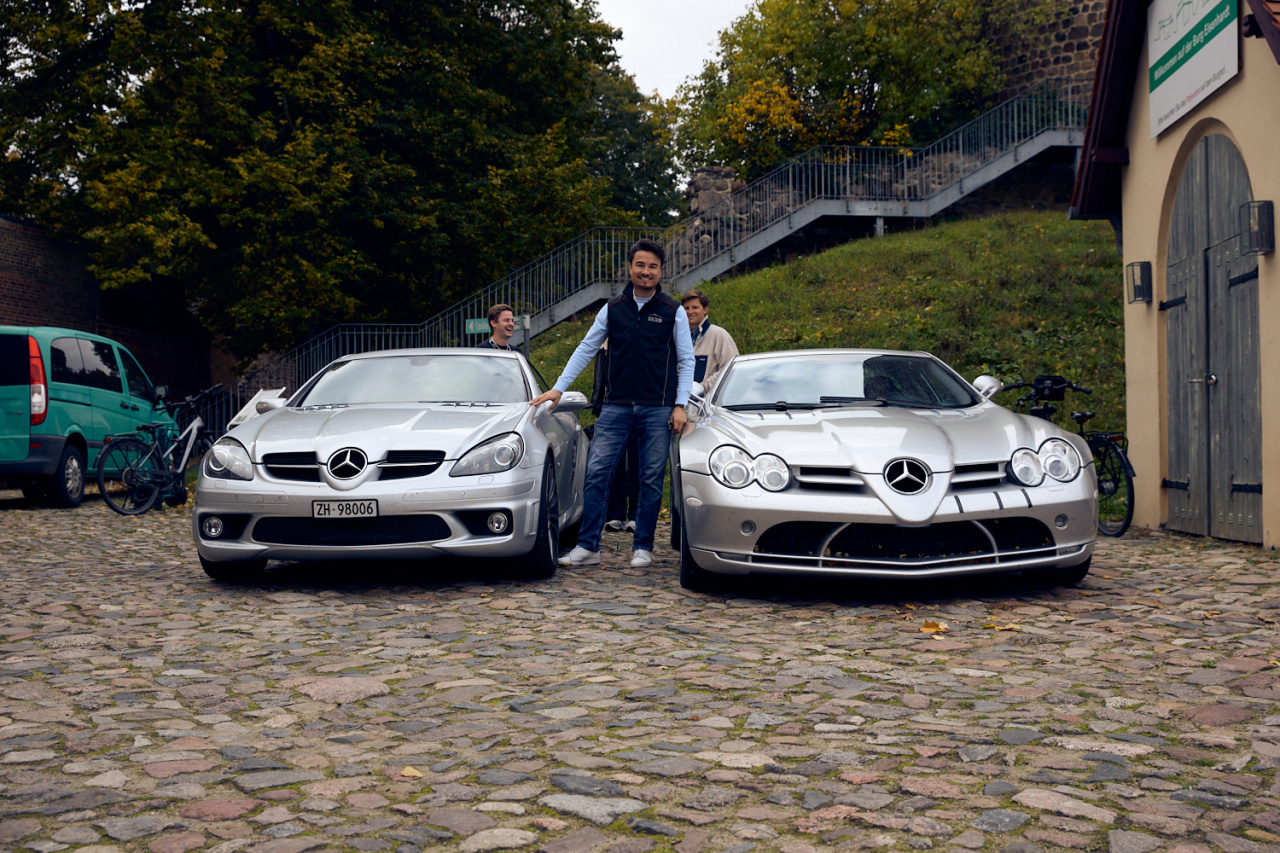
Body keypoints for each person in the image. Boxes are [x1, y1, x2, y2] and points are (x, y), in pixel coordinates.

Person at [530, 238, 694, 568]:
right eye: (640, 265)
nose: (646, 271)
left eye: (653, 266)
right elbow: (586, 348)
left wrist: (680, 405)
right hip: (615, 406)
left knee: (650, 479)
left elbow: (686, 360)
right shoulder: (612, 308)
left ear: (660, 271)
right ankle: (588, 546)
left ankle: (643, 547)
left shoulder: (672, 311)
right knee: (596, 473)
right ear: (630, 267)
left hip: (658, 407)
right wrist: (559, 388)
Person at [590, 340, 639, 533]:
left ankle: (636, 515)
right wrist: (597, 401)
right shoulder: (605, 343)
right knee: (612, 464)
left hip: (639, 406)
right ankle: (615, 514)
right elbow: (600, 376)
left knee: (638, 462)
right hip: (611, 406)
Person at [681, 288, 739, 392]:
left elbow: (732, 368)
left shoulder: (719, 335)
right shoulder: (677, 337)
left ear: (705, 309)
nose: (690, 312)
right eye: (686, 308)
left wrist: (702, 388)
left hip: (708, 400)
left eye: (695, 307)